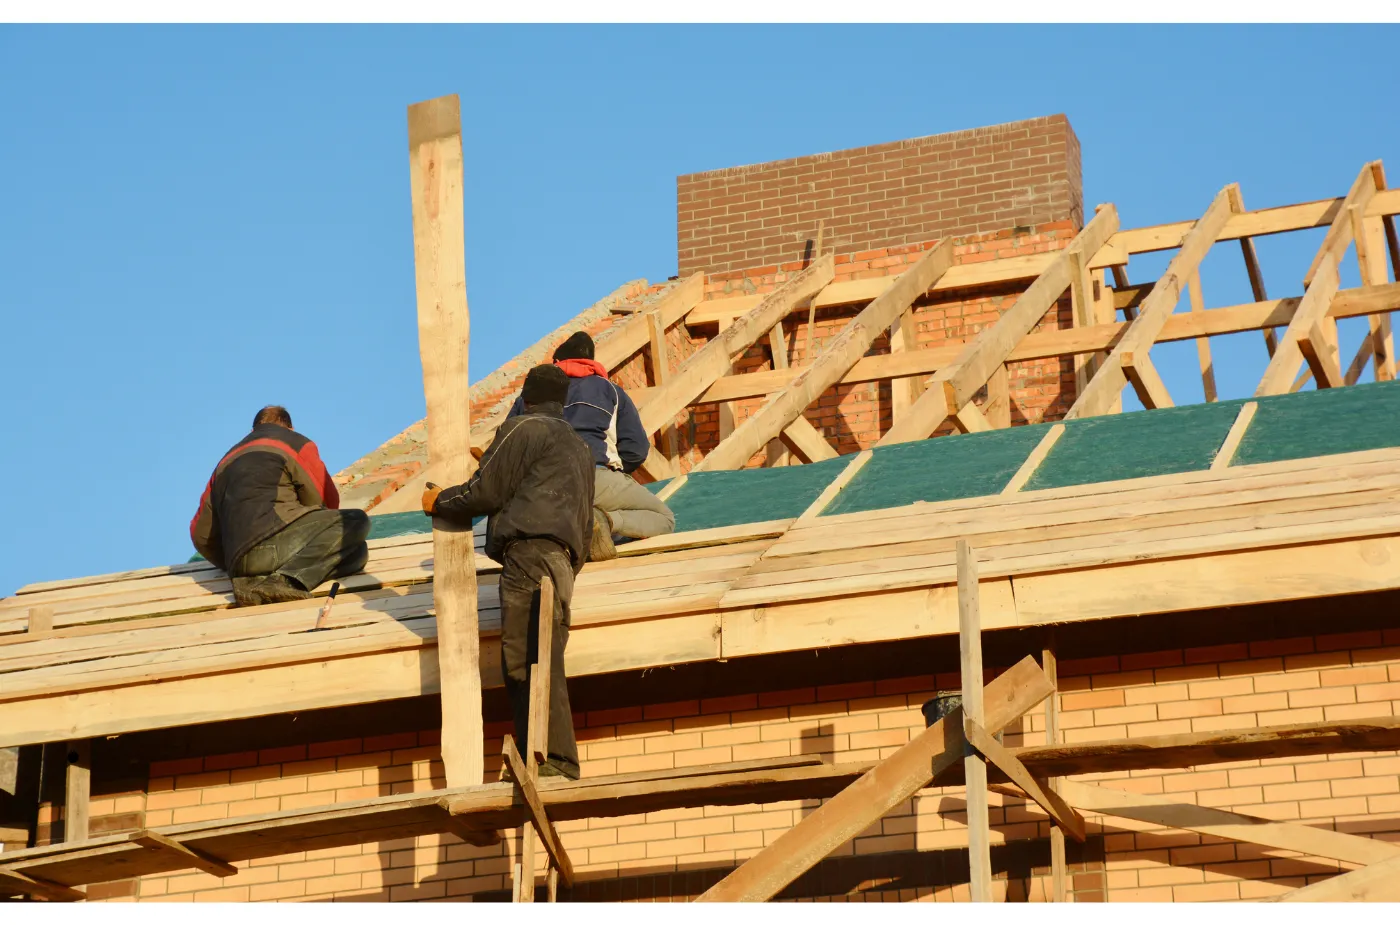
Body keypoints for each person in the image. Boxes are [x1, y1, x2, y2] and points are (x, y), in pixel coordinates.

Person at [423, 364, 593, 780]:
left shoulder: (523, 428)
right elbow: (586, 524)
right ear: (564, 401)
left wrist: (439, 501)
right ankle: (546, 757)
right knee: (544, 656)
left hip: (529, 554)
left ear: (527, 395)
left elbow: (485, 490)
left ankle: (549, 760)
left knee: (523, 660)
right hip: (563, 562)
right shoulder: (580, 448)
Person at [507, 330, 675, 561]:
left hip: (539, 488)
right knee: (663, 518)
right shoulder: (611, 391)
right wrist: (612, 475)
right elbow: (636, 449)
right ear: (592, 363)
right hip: (594, 476)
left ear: (556, 363)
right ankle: (606, 521)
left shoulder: (528, 396)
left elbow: (507, 449)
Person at [190, 406, 370, 607]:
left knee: (357, 553)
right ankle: (284, 581)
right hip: (277, 545)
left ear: (252, 430)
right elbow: (325, 502)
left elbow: (200, 533)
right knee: (354, 521)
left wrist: (232, 562)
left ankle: (254, 582)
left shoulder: (225, 461)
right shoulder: (295, 442)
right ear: (289, 428)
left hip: (238, 565)